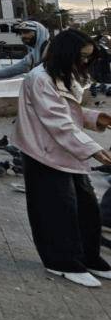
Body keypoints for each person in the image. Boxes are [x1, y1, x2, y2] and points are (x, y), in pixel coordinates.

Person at [14, 29, 111, 286]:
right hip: (43, 152)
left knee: (86, 208)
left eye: (88, 57)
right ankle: (60, 261)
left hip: (67, 149)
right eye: (81, 56)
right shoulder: (39, 78)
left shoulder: (65, 76)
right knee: (56, 210)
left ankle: (89, 257)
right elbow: (56, 121)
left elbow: (68, 111)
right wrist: (93, 149)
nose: (84, 62)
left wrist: (94, 118)